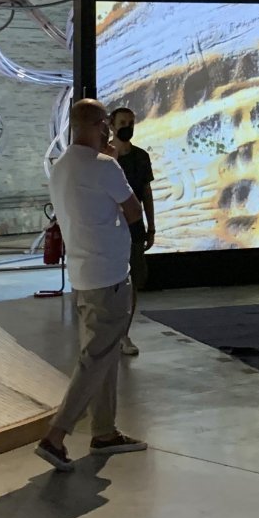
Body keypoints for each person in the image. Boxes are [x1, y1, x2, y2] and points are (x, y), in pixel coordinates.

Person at [38, 98, 147, 471]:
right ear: (97, 125)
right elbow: (133, 210)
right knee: (96, 359)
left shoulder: (61, 167)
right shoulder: (104, 166)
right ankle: (56, 435)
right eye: (105, 124)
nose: (109, 130)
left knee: (104, 356)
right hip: (108, 276)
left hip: (83, 276)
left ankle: (104, 431)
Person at [110, 106, 156, 356]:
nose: (127, 127)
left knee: (133, 281)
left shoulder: (141, 157)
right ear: (112, 125)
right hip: (108, 227)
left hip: (135, 226)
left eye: (130, 123)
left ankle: (124, 334)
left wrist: (151, 226)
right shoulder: (104, 157)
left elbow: (146, 193)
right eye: (122, 123)